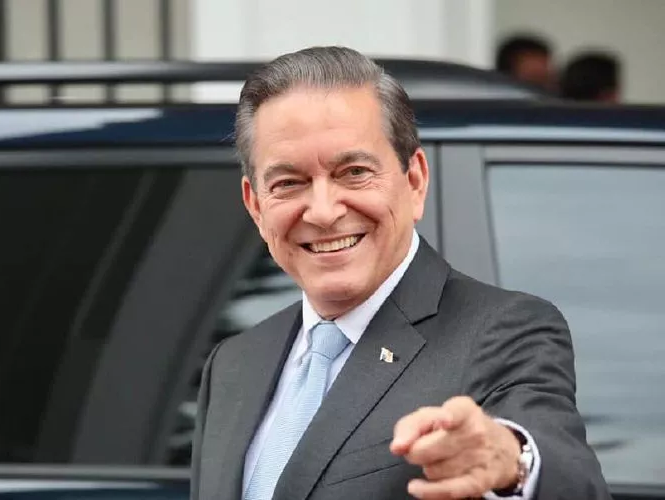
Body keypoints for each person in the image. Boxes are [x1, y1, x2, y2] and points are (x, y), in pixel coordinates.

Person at [191, 46, 611, 500]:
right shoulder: (234, 362)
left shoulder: (503, 332)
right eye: (288, 183)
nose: (324, 211)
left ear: (415, 182)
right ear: (256, 206)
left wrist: (512, 462)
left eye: (354, 172)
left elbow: (570, 479)